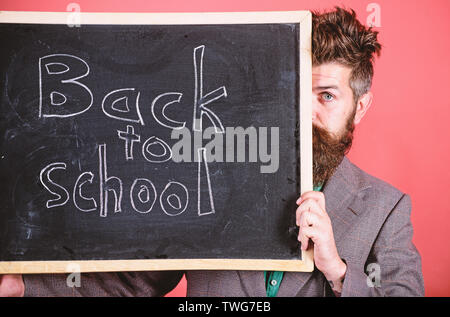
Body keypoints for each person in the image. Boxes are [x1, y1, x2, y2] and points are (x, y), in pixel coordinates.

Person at [0, 7, 424, 297]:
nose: (306, 112)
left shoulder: (386, 208)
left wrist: (337, 269)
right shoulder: (213, 174)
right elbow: (136, 281)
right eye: (298, 91)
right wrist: (24, 285)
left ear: (360, 106)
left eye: (326, 96)